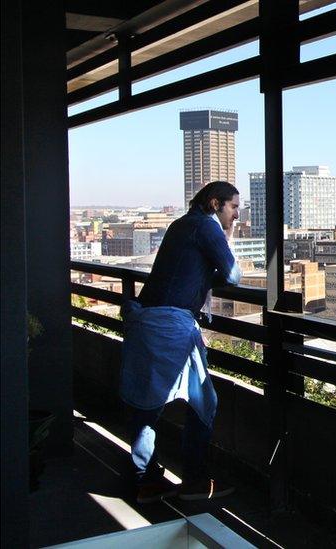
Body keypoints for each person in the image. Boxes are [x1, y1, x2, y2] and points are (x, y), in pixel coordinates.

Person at [120, 181, 242, 503]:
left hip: (147, 319)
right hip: (171, 326)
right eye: (233, 207)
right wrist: (227, 245)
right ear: (216, 203)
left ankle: (144, 479)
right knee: (204, 403)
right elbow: (232, 275)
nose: (237, 215)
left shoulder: (181, 224)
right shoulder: (205, 226)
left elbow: (193, 270)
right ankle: (195, 480)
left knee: (147, 405)